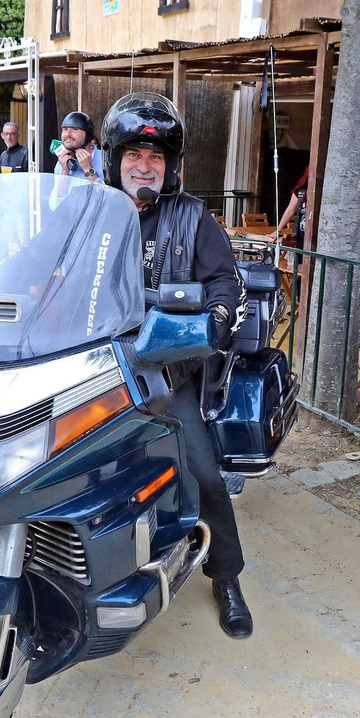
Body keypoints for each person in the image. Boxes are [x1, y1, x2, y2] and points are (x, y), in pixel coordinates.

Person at [101, 92, 253, 639]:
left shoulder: (193, 218)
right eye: (135, 157)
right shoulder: (86, 211)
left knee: (204, 472)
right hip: (91, 370)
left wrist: (214, 317)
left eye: (156, 159)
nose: (145, 167)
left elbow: (223, 280)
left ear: (170, 167)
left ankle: (228, 576)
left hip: (163, 370)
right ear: (113, 159)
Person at [53, 111, 104, 181]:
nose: (68, 134)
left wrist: (88, 169)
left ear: (88, 136)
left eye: (75, 129)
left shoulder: (103, 161)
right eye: (65, 129)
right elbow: (60, 192)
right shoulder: (62, 161)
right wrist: (65, 172)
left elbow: (106, 191)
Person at [276, 165, 311, 247]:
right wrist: (278, 230)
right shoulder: (300, 192)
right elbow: (290, 210)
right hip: (301, 234)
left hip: (317, 235)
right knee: (299, 257)